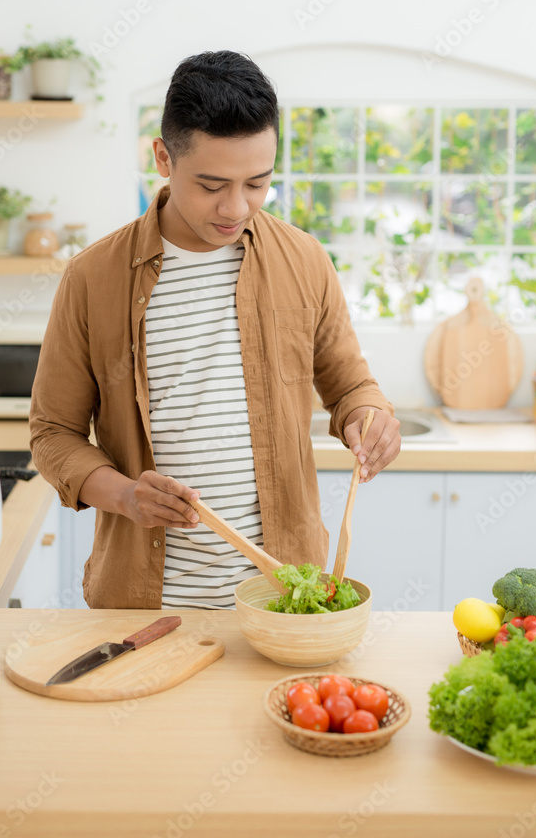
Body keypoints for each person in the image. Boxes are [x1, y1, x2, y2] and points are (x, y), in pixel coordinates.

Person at [30, 50, 401, 610]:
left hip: (284, 601)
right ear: (162, 157)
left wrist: (371, 420)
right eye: (211, 184)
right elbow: (53, 434)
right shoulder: (92, 278)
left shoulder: (304, 259)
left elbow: (351, 388)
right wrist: (126, 496)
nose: (236, 207)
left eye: (258, 183)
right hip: (145, 606)